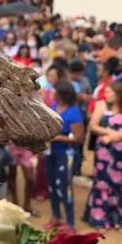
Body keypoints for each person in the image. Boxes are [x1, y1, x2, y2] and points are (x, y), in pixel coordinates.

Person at [85, 81, 122, 230]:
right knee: (102, 181)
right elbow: (93, 125)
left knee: (120, 183)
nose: (106, 95)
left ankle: (121, 219)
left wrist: (117, 137)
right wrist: (109, 133)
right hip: (103, 151)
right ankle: (100, 218)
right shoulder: (101, 105)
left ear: (119, 94)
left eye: (110, 92)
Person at [45, 81, 84, 231]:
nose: (52, 94)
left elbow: (79, 138)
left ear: (62, 95)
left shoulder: (74, 113)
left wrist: (56, 138)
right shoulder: (54, 107)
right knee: (52, 186)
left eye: (55, 92)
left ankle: (70, 222)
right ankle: (56, 216)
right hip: (51, 153)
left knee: (64, 187)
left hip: (66, 155)